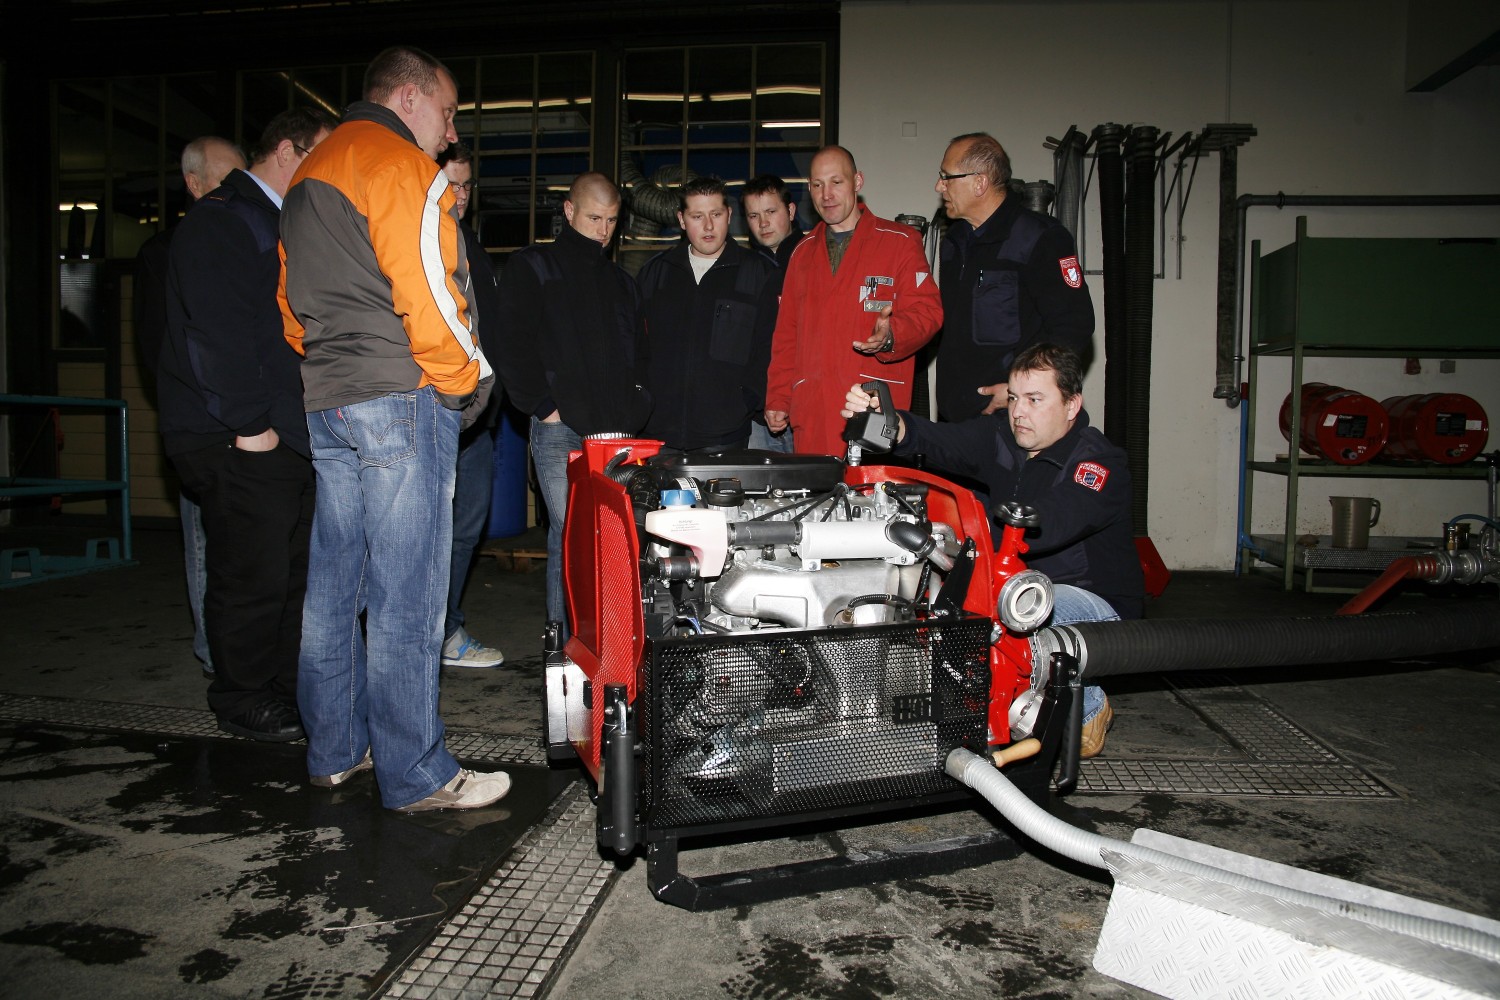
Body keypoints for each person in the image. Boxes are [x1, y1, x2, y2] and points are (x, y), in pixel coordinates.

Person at [280, 46, 509, 811]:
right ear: (408, 97)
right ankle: (417, 774)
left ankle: (336, 751)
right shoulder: (401, 165)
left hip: (330, 398)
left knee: (334, 585)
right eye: (447, 112)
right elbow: (431, 290)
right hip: (400, 394)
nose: (451, 132)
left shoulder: (310, 172)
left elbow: (288, 302)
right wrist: (463, 383)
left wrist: (329, 363)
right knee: (408, 590)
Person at [840, 343, 1143, 758]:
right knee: (931, 603)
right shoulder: (1003, 436)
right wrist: (887, 421)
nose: (1019, 412)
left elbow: (1053, 521)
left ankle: (1088, 707)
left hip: (1092, 602)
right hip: (1016, 587)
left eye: (1035, 400)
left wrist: (969, 531)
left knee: (1009, 610)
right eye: (1014, 398)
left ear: (1072, 405)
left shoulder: (1098, 464)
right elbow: (941, 439)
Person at [157, 110, 334, 741]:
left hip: (283, 431)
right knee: (253, 573)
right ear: (287, 152)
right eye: (319, 159)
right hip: (241, 434)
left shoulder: (278, 220)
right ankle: (242, 696)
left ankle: (283, 690)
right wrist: (249, 425)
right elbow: (216, 330)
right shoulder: (224, 219)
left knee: (290, 573)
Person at [494, 172, 649, 632]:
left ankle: (599, 643)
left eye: (612, 220)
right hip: (559, 427)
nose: (603, 230)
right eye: (594, 218)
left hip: (616, 433)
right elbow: (510, 344)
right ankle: (565, 646)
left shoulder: (621, 282)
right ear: (569, 210)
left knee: (607, 540)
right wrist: (544, 407)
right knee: (573, 536)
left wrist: (639, 405)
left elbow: (639, 354)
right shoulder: (533, 267)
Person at [134, 136, 246, 677]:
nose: (236, 191)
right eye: (225, 181)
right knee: (204, 542)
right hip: (200, 425)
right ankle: (212, 652)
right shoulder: (164, 252)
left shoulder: (249, 237)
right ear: (194, 184)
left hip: (248, 419)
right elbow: (158, 346)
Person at [764, 145, 942, 456]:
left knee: (870, 490)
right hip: (813, 413)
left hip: (872, 411)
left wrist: (892, 335)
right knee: (817, 489)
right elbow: (787, 336)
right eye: (817, 185)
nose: (827, 195)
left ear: (857, 182)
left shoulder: (899, 243)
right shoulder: (802, 254)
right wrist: (779, 397)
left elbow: (928, 312)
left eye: (837, 182)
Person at [934, 132, 1094, 422]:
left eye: (947, 177)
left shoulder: (1040, 238)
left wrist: (1020, 390)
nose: (939, 186)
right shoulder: (955, 242)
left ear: (979, 182)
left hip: (1011, 417)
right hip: (956, 416)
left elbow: (1074, 325)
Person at [637, 175, 778, 452]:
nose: (708, 225)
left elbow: (770, 348)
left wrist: (747, 402)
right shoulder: (655, 273)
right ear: (681, 220)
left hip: (726, 435)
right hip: (658, 434)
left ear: (729, 215)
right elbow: (636, 346)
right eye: (697, 216)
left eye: (716, 214)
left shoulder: (759, 273)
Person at [435, 141, 505, 669]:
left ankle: (445, 628)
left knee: (465, 530)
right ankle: (419, 635)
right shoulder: (418, 240)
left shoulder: (470, 245)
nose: (460, 195)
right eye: (449, 184)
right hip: (435, 410)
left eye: (466, 185)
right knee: (426, 534)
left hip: (477, 418)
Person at [740, 173, 803, 452]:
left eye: (770, 212)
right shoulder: (743, 269)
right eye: (754, 215)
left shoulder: (814, 261)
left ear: (790, 211)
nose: (763, 223)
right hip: (756, 415)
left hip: (806, 410)